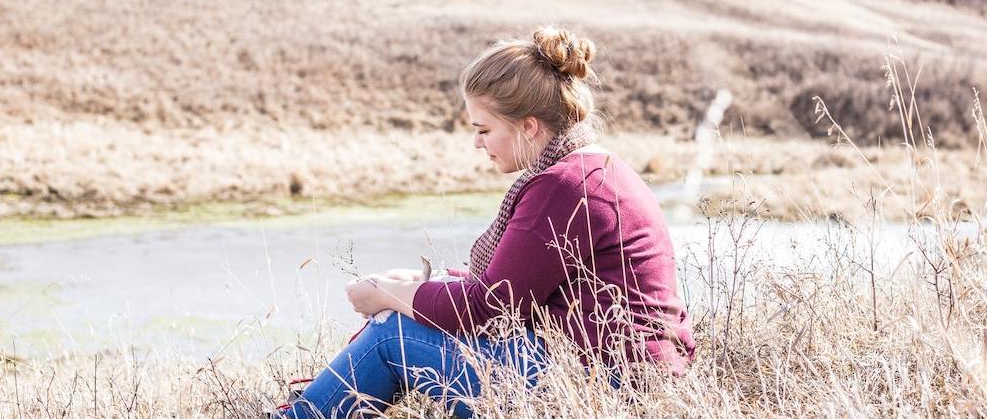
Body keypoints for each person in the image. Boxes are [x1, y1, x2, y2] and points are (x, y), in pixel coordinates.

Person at [276, 26, 694, 418]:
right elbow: (519, 286)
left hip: (606, 384)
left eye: (484, 129)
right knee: (404, 315)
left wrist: (389, 294)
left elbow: (489, 309)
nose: (477, 143)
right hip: (626, 372)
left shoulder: (565, 186)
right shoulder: (592, 169)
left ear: (528, 127)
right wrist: (432, 281)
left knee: (392, 335)